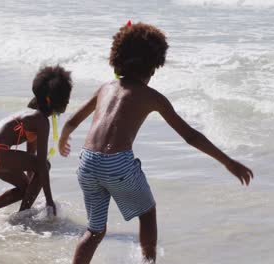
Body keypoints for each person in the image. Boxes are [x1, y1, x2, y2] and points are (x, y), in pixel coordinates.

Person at [58, 22, 254, 263]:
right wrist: (227, 162)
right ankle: (148, 262)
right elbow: (190, 135)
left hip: (87, 163)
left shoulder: (105, 88)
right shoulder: (152, 97)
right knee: (147, 214)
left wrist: (63, 140)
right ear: (153, 66)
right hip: (116, 164)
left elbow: (72, 122)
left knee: (95, 230)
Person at [0, 65, 72, 216]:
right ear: (49, 99)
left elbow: (31, 157)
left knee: (24, 187)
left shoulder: (34, 117)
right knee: (45, 165)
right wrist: (49, 201)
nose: (67, 102)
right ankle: (23, 215)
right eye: (65, 98)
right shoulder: (40, 120)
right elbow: (40, 164)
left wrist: (31, 189)